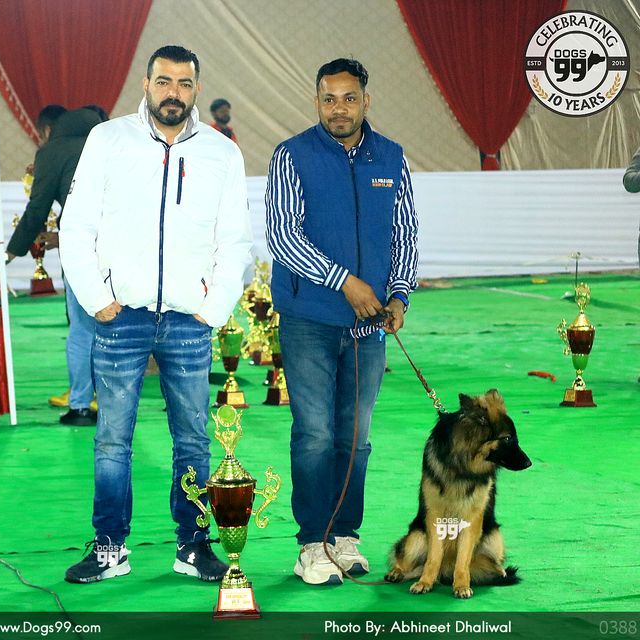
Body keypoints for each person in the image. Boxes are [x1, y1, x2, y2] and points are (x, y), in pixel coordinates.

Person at [59, 44, 253, 584]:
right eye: (163, 81)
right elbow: (77, 225)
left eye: (184, 84)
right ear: (145, 85)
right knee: (111, 439)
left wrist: (213, 308)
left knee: (193, 439)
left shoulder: (222, 153)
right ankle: (109, 548)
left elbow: (234, 238)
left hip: (190, 321)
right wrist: (98, 298)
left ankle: (194, 545)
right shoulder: (108, 140)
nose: (174, 92)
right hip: (120, 316)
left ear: (196, 89)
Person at [265, 58, 419, 586]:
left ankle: (345, 537)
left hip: (369, 325)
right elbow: (282, 236)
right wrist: (346, 283)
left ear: (365, 101)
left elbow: (404, 234)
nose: (339, 109)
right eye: (329, 99)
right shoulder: (291, 156)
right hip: (309, 318)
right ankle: (312, 543)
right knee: (314, 433)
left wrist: (399, 295)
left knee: (356, 435)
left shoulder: (391, 158)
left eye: (349, 98)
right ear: (317, 102)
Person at [7, 106, 107, 426]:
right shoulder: (109, 141)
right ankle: (114, 402)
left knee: (82, 327)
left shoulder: (53, 151)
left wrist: (12, 251)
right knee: (116, 327)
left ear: (47, 130)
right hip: (119, 249)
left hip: (82, 250)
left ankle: (81, 404)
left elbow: (37, 209)